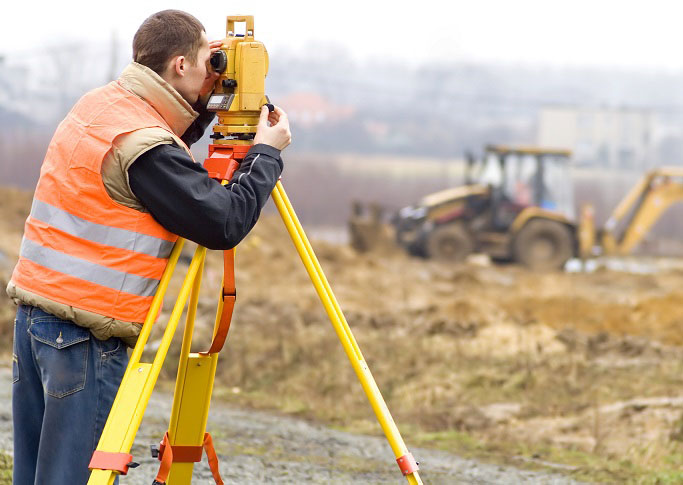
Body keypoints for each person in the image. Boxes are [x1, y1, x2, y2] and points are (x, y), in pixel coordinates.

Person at [8, 10, 291, 485]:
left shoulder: (102, 106)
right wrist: (266, 153)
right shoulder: (145, 146)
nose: (215, 68)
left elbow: (164, 145)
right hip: (85, 336)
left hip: (37, 322)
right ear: (180, 64)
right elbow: (224, 222)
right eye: (209, 59)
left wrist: (209, 103)